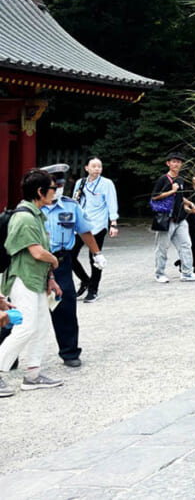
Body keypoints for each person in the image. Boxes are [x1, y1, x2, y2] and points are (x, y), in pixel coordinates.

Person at [0, 169, 63, 395]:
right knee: (26, 326)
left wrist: (51, 278)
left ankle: (33, 375)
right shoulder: (25, 217)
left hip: (36, 278)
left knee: (41, 326)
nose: (55, 192)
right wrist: (54, 261)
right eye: (53, 188)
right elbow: (37, 253)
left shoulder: (36, 214)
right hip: (22, 278)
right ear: (40, 191)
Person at [41, 164, 105, 368]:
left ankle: (69, 352)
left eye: (60, 184)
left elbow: (84, 230)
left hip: (61, 261)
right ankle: (8, 350)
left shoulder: (70, 206)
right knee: (24, 307)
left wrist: (97, 253)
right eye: (53, 184)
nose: (58, 188)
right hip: (35, 262)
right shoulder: (31, 207)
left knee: (65, 305)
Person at [69, 156, 119, 302]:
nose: (97, 169)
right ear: (87, 168)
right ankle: (85, 280)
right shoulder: (80, 182)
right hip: (80, 224)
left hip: (97, 224)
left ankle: (93, 289)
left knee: (95, 257)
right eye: (94, 166)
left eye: (99, 166)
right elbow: (74, 201)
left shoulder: (106, 183)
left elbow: (111, 202)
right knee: (70, 255)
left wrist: (113, 223)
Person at [152, 151, 195, 283]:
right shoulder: (163, 179)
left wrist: (190, 204)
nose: (176, 164)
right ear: (168, 163)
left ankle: (187, 273)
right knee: (162, 247)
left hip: (180, 218)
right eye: (173, 161)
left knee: (186, 245)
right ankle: (159, 273)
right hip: (166, 219)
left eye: (179, 162)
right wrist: (172, 191)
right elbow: (155, 196)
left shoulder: (180, 179)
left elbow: (179, 197)